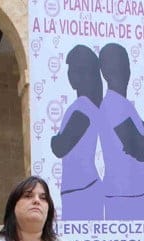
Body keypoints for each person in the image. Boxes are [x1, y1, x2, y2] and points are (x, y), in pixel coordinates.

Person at [98, 42, 144, 220]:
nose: (123, 72)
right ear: (105, 73)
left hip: (132, 193)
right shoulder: (113, 105)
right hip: (121, 195)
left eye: (125, 66)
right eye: (116, 68)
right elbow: (142, 152)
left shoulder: (125, 105)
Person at [51, 45, 104, 220]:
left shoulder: (83, 108)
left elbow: (60, 147)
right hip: (80, 188)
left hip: (82, 189)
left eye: (73, 69)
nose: (70, 75)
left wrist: (55, 139)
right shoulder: (86, 106)